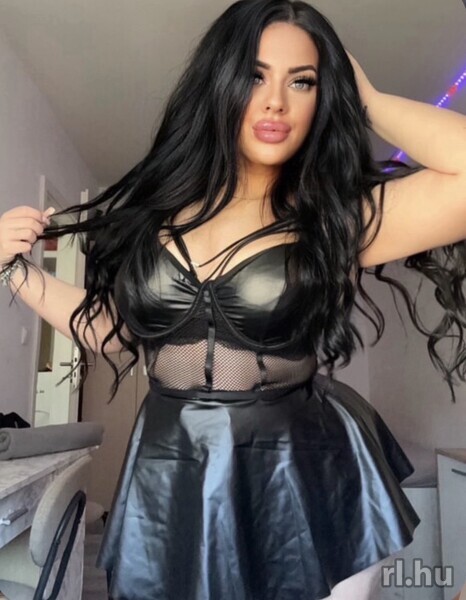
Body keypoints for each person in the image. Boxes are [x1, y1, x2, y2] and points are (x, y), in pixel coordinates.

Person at [1, 1, 466, 598]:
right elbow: (113, 331)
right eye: (254, 75)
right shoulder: (154, 218)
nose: (275, 102)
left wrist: (365, 97)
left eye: (302, 82)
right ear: (220, 82)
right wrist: (14, 270)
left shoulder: (338, 219)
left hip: (301, 467)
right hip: (171, 461)